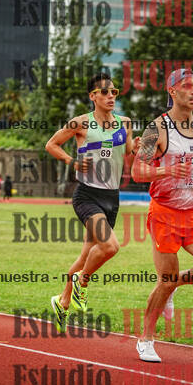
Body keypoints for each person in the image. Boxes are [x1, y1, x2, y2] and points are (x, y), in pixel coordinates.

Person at [131, 68, 193, 362]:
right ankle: (146, 339)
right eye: (187, 86)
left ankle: (175, 284)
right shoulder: (157, 129)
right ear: (172, 91)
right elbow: (137, 172)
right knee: (166, 280)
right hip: (165, 213)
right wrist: (168, 170)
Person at [46, 73, 137, 333]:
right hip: (87, 195)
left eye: (114, 92)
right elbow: (51, 145)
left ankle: (62, 301)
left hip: (112, 197)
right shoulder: (81, 123)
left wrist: (137, 147)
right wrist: (72, 161)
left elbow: (129, 152)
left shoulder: (125, 123)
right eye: (105, 92)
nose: (110, 96)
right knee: (110, 246)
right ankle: (81, 282)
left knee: (86, 255)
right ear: (93, 96)